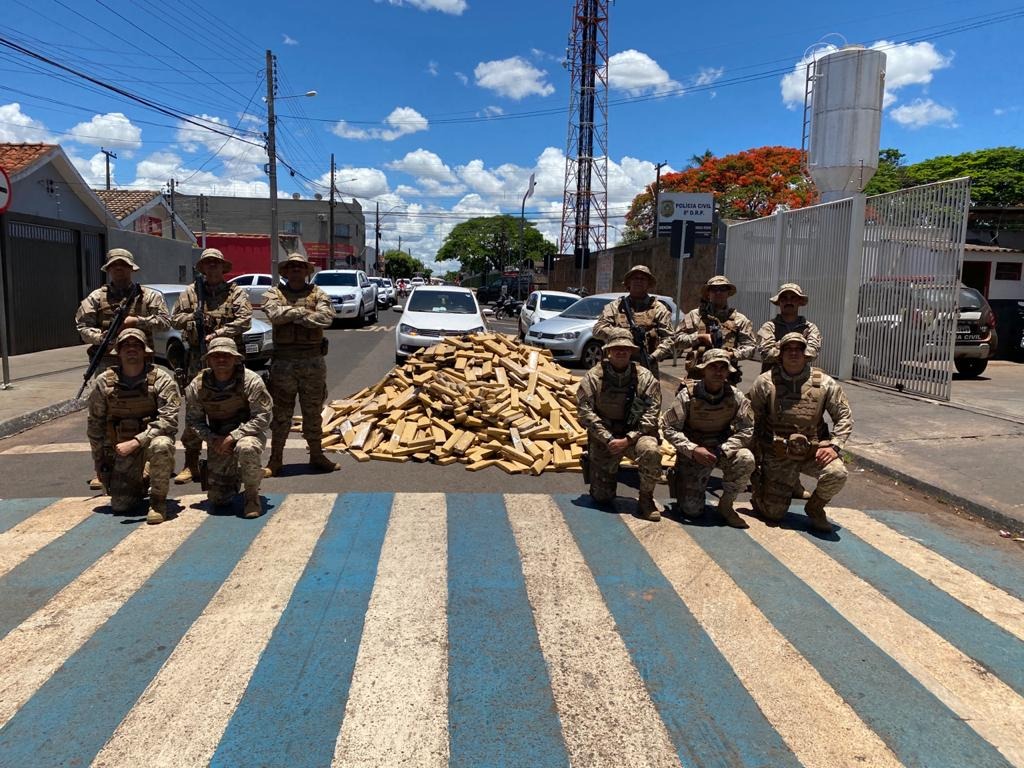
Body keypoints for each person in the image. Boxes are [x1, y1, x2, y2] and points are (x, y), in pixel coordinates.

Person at [76, 248, 171, 489]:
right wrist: (102, 338)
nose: (119, 269)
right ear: (108, 270)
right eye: (115, 266)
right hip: (108, 361)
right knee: (105, 417)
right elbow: (82, 326)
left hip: (141, 361)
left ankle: (152, 460)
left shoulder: (147, 296)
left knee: (148, 412)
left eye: (124, 265)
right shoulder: (96, 298)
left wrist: (137, 321)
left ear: (131, 268)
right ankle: (103, 465)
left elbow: (164, 321)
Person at [747, 333, 853, 533]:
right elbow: (751, 418)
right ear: (781, 353)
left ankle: (815, 507)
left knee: (837, 473)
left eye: (799, 349)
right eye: (789, 349)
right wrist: (754, 455)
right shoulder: (765, 382)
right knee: (773, 514)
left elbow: (844, 416)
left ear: (806, 354)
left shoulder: (825, 383)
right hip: (778, 454)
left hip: (812, 452)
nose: (794, 353)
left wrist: (834, 445)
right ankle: (763, 489)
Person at [169, 248, 253, 485]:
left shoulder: (235, 292)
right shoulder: (192, 292)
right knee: (195, 409)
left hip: (229, 360)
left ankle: (233, 457)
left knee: (235, 408)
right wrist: (195, 319)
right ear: (203, 268)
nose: (212, 267)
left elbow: (244, 321)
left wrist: (218, 333)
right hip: (198, 359)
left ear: (222, 267)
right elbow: (174, 318)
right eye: (208, 264)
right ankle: (190, 463)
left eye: (216, 264)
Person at [86, 328, 179, 525]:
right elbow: (95, 422)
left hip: (150, 444)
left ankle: (158, 502)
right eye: (126, 345)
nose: (131, 349)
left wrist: (137, 441)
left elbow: (169, 420)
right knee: (121, 505)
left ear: (144, 351)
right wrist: (99, 460)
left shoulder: (161, 379)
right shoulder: (104, 382)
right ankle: (141, 480)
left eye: (136, 345)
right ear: (118, 352)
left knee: (162, 445)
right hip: (120, 449)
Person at [261, 253, 339, 476]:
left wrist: (291, 315)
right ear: (285, 271)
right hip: (283, 362)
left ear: (307, 271)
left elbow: (326, 318)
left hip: (312, 361)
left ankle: (317, 455)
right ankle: (275, 459)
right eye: (291, 266)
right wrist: (304, 313)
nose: (296, 269)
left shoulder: (318, 293)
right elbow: (274, 314)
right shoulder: (274, 293)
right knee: (281, 413)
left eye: (300, 266)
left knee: (313, 411)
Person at [576, 328, 663, 521]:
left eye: (625, 348)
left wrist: (629, 439)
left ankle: (646, 498)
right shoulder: (594, 376)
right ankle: (593, 464)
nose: (621, 352)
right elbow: (584, 411)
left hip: (635, 435)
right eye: (616, 348)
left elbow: (652, 413)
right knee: (602, 498)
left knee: (651, 452)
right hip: (605, 436)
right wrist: (607, 438)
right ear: (608, 351)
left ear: (632, 351)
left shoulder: (645, 377)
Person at [662, 348, 755, 528]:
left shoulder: (735, 396)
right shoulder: (687, 395)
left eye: (723, 367)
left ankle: (726, 506)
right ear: (704, 369)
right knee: (692, 511)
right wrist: (693, 449)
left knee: (746, 458)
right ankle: (681, 479)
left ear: (728, 371)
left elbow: (747, 428)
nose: (718, 372)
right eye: (713, 367)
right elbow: (669, 428)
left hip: (721, 450)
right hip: (694, 453)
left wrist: (724, 449)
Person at [184, 337, 272, 519]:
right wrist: (212, 439)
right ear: (208, 360)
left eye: (226, 355)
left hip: (248, 433)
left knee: (246, 448)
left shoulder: (251, 381)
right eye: (216, 356)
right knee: (219, 500)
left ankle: (251, 495)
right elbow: (194, 420)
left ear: (236, 359)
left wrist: (234, 436)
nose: (221, 360)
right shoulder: (198, 385)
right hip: (217, 437)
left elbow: (263, 417)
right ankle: (243, 473)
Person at [592, 265, 677, 376]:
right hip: (615, 368)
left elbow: (670, 338)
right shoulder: (615, 306)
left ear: (648, 284)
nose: (638, 281)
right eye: (635, 278)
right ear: (628, 282)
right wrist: (623, 334)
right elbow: (597, 330)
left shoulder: (658, 308)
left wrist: (654, 357)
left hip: (646, 365)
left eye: (643, 279)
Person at [675, 275, 755, 381]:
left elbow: (751, 348)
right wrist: (699, 337)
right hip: (698, 379)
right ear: (708, 293)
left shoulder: (739, 320)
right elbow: (676, 341)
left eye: (723, 289)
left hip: (725, 379)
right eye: (714, 289)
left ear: (728, 293)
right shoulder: (694, 316)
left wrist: (731, 354)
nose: (718, 292)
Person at [756, 283, 822, 372]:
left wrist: (778, 347)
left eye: (793, 298)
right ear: (779, 302)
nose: (789, 302)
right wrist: (800, 345)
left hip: (801, 380)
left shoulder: (810, 328)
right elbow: (767, 355)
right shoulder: (769, 327)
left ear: (799, 301)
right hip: (772, 380)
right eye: (784, 299)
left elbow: (812, 354)